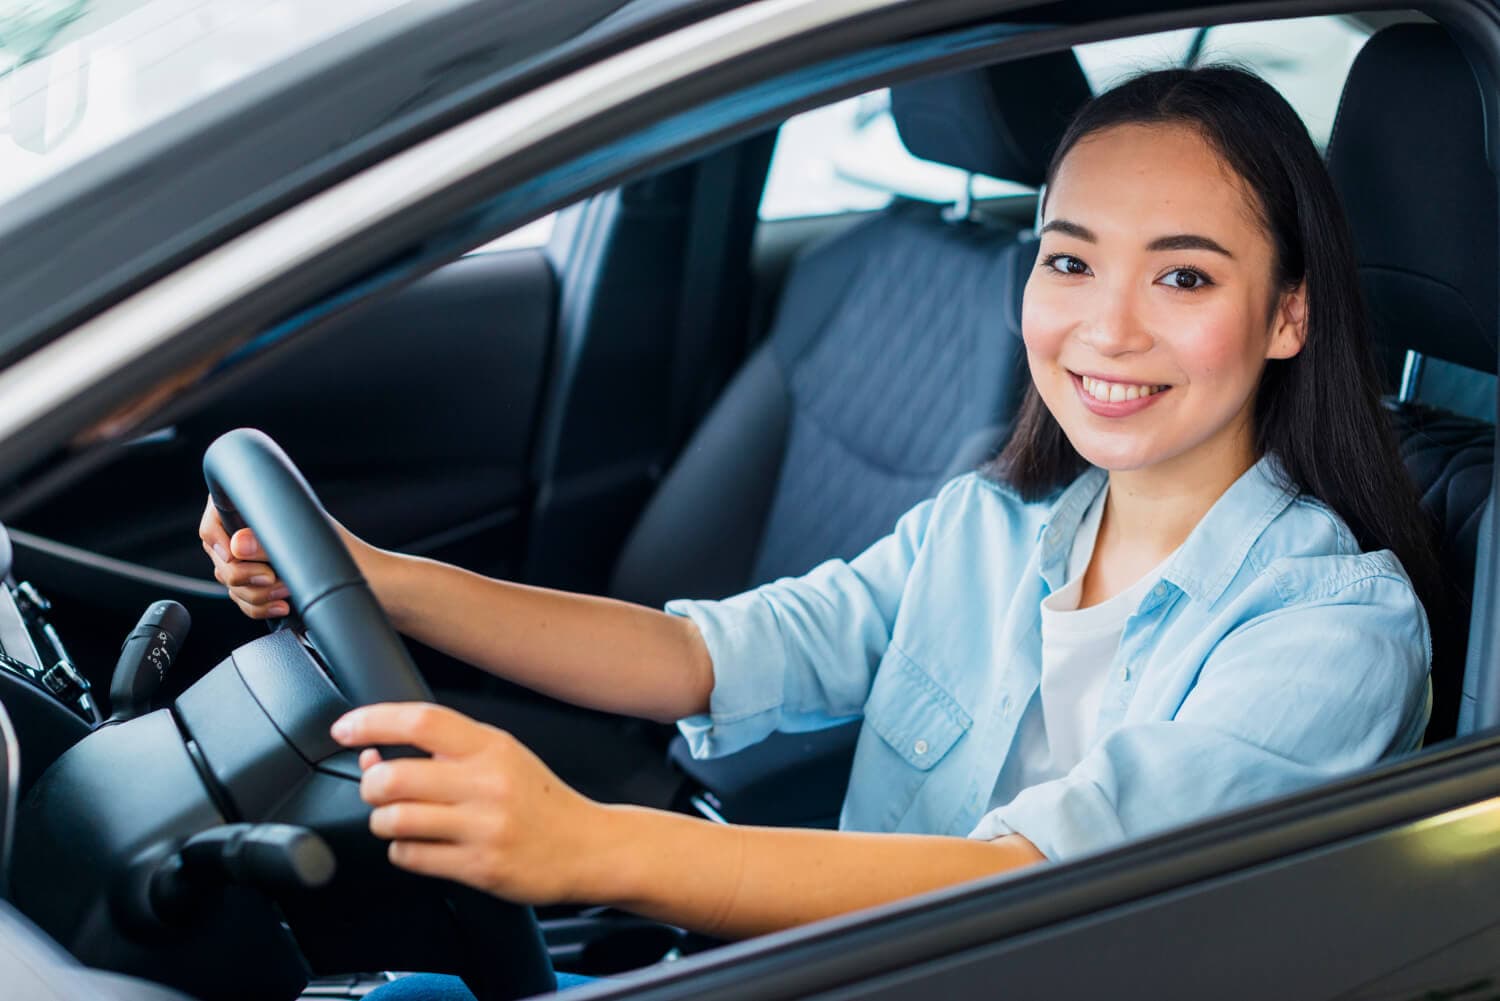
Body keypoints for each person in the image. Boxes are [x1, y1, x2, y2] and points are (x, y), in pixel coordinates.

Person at [200, 65, 1435, 997]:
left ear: (1287, 318)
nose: (1104, 329)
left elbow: (1033, 879)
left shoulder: (1334, 630)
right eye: (1068, 262)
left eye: (1182, 277)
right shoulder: (991, 526)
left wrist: (595, 845)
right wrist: (375, 580)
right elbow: (706, 655)